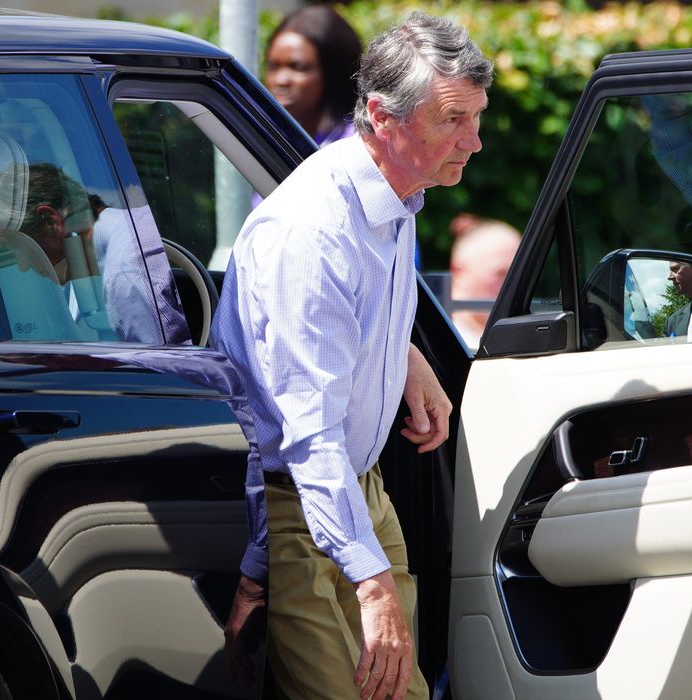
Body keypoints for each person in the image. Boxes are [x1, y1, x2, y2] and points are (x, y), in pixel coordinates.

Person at [213, 12, 492, 700]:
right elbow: (308, 433)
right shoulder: (311, 228)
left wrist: (405, 361)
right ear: (380, 115)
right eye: (454, 120)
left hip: (353, 491)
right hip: (300, 503)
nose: (475, 142)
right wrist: (370, 581)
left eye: (476, 119)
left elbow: (347, 320)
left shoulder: (396, 193)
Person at [264, 5, 362, 146]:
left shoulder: (357, 143)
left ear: (334, 72)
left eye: (298, 67)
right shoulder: (267, 135)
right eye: (273, 66)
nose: (281, 80)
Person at [447, 214, 520, 349]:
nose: (515, 285)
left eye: (519, 275)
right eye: (501, 274)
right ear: (459, 272)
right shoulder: (439, 343)